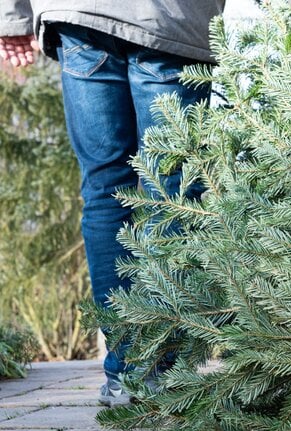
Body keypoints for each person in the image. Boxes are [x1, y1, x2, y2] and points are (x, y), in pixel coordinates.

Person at [0, 1, 226, 406]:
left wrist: (11, 16)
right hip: (169, 19)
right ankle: (161, 371)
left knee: (106, 192)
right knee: (171, 193)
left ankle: (125, 371)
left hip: (82, 14)